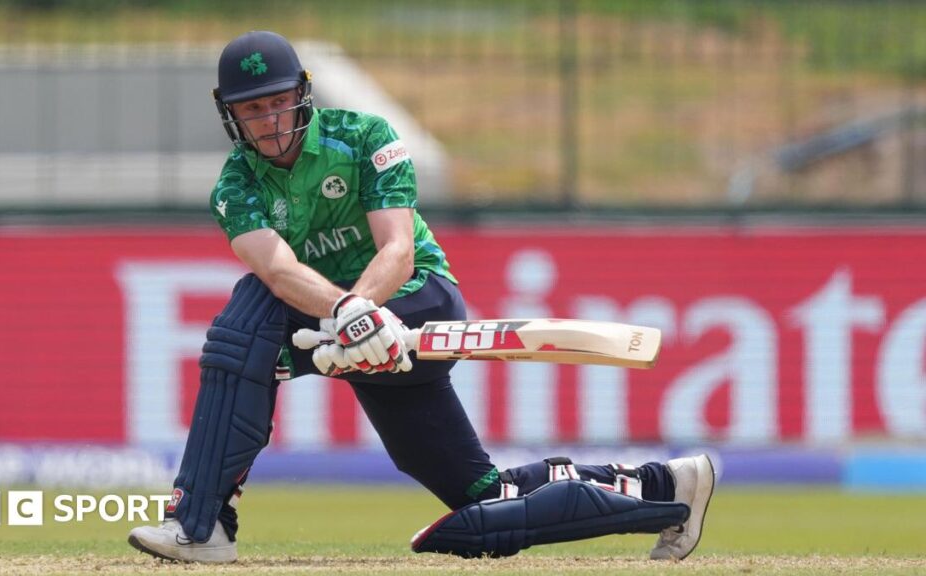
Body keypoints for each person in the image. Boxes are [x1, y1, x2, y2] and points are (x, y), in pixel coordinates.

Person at [128, 30, 715, 564]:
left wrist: (359, 309)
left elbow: (398, 250)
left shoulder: (364, 137)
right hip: (339, 323)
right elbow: (278, 271)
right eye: (253, 109)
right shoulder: (236, 186)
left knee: (243, 339)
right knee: (485, 498)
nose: (270, 120)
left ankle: (201, 523)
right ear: (230, 114)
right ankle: (668, 487)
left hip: (418, 302)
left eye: (279, 101)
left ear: (302, 93)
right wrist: (345, 316)